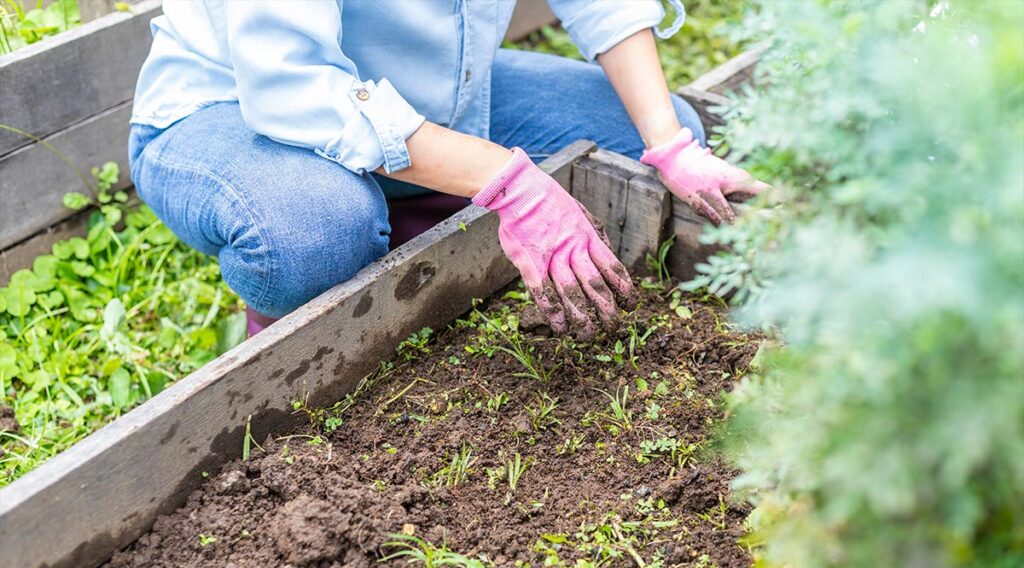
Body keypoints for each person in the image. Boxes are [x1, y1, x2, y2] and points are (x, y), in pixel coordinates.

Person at [128, 0, 767, 339]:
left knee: (641, 129)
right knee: (314, 233)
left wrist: (667, 143)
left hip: (419, 97)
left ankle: (408, 206)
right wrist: (508, 182)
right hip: (232, 109)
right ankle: (287, 349)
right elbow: (289, 82)